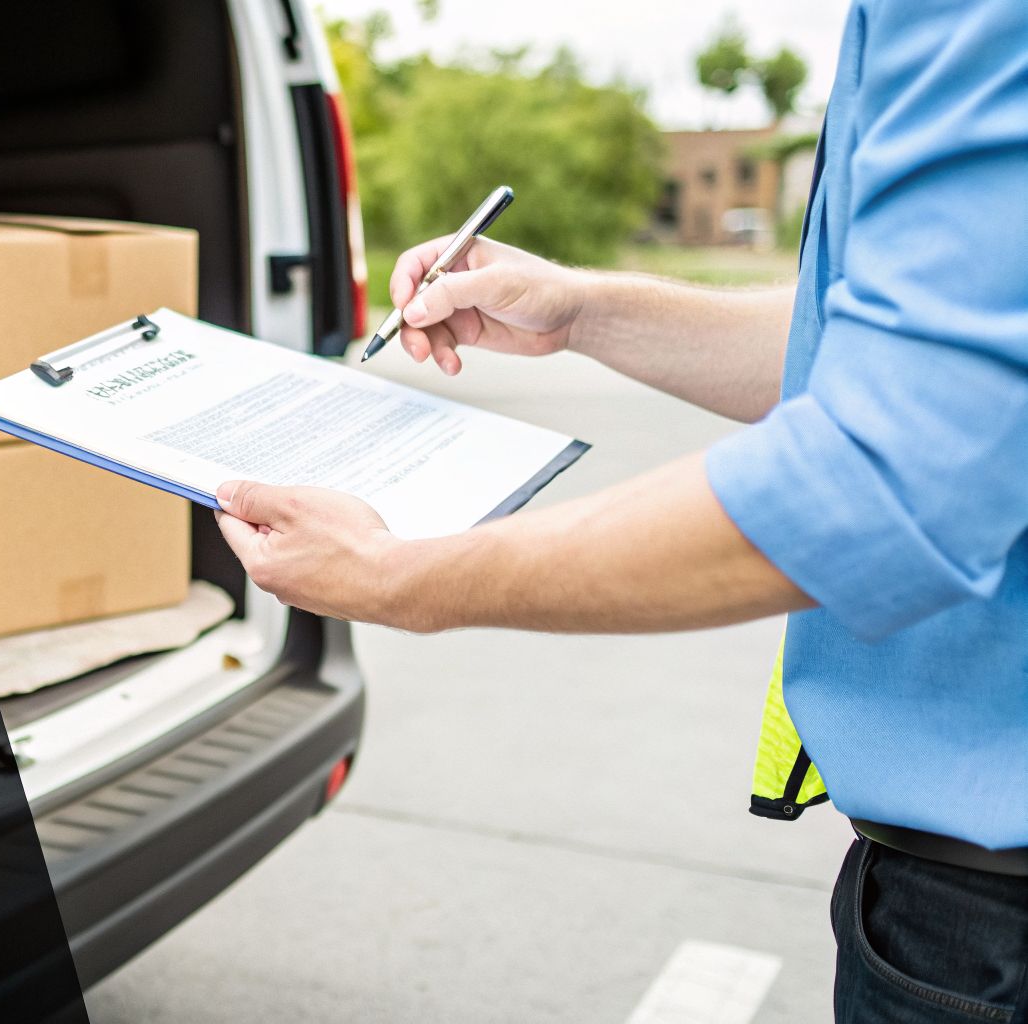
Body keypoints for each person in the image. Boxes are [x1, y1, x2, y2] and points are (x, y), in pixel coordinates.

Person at [214, 1, 1028, 1020]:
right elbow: (899, 353)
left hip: (991, 922)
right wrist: (583, 311)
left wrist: (396, 577)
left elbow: (885, 469)